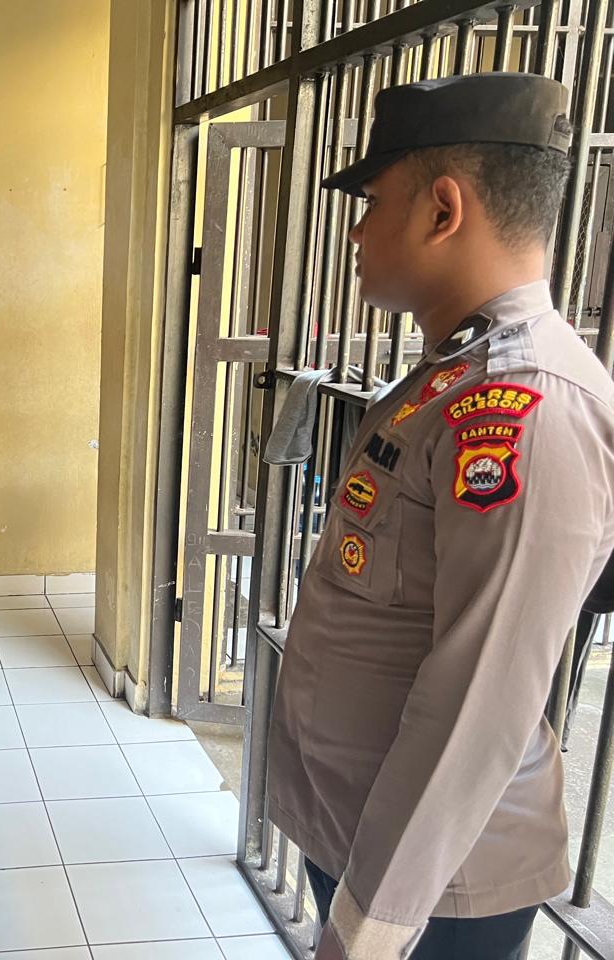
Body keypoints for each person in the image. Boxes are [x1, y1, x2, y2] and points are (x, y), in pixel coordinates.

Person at [267, 73, 614, 960]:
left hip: (435, 894)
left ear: (443, 210)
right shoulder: (454, 374)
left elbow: (479, 700)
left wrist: (371, 929)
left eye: (373, 202)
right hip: (368, 842)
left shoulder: (526, 404)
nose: (355, 231)